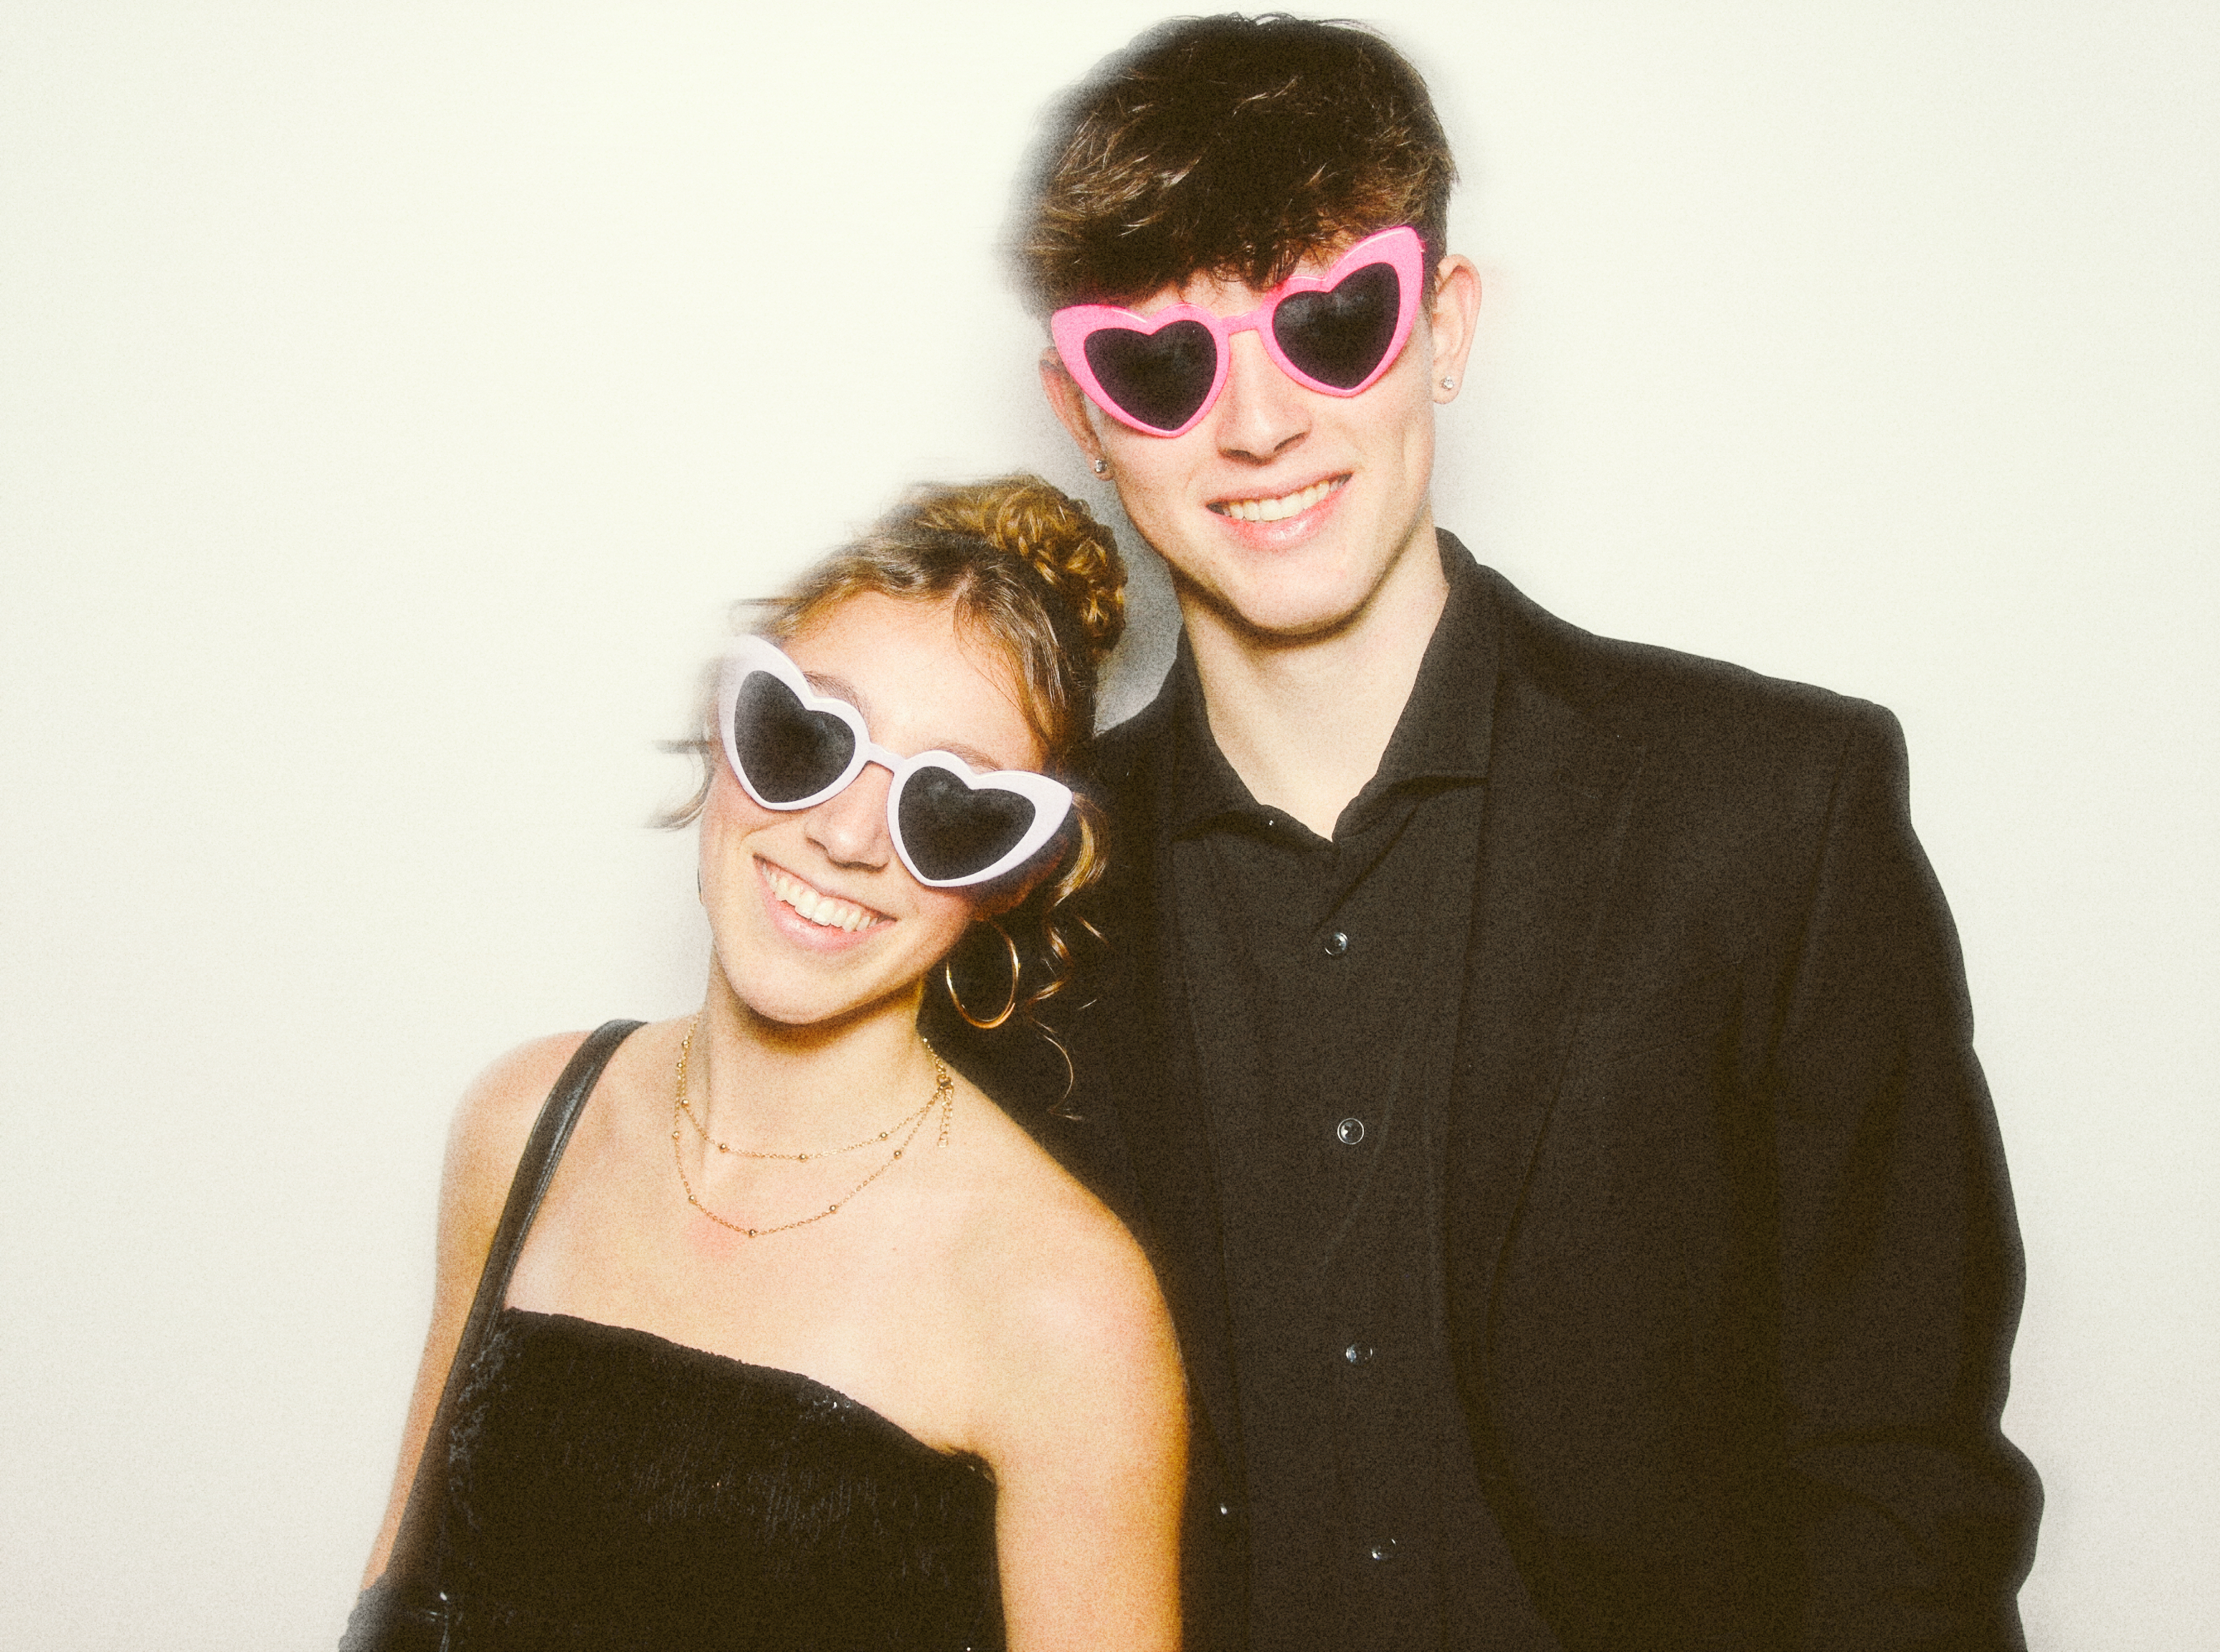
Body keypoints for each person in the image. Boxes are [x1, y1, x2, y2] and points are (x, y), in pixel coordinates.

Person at [952, 14, 2042, 1651]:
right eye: (1164, 362)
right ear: (1080, 411)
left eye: (1332, 323)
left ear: (1445, 325)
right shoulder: (1009, 891)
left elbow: (1902, 1492)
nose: (1256, 426)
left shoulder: (1773, 813)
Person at [346, 478, 1185, 1651]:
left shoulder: (1062, 1304)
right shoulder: (528, 1122)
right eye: (806, 739)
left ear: (1017, 875)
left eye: (949, 810)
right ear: (726, 728)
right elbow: (397, 1605)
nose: (844, 836)